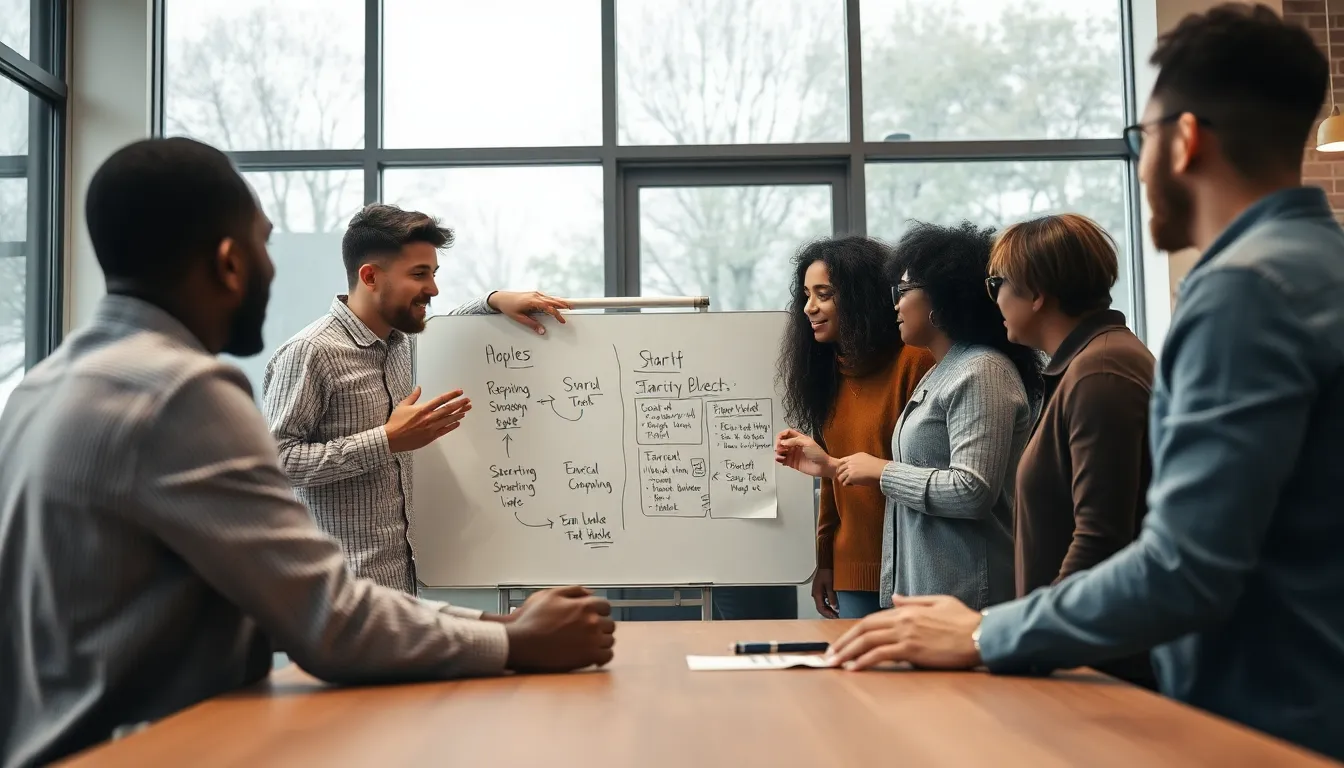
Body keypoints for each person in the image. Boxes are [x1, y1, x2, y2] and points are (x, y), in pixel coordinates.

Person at [826, 5, 1344, 759]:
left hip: (1262, 722)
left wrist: (985, 629)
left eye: (1141, 140)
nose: (1138, 166)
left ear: (1185, 141)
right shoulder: (1318, 267)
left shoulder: (1243, 291)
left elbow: (1182, 566)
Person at [0, 138, 615, 768]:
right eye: (264, 244)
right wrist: (514, 639)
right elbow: (327, 619)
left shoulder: (40, 389)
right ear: (228, 262)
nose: (272, 266)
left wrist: (489, 302)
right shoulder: (181, 393)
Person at [262, 203, 571, 593]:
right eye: (419, 274)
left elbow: (444, 326)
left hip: (400, 587)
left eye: (434, 273)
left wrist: (492, 302)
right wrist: (387, 440)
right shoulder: (311, 352)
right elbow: (276, 463)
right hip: (338, 596)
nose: (434, 289)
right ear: (370, 276)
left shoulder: (401, 342)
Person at [780, 222, 1042, 612]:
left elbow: (972, 490)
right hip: (921, 584)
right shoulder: (944, 370)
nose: (896, 304)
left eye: (904, 291)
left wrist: (878, 471)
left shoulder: (981, 370)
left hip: (965, 592)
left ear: (941, 298)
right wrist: (835, 468)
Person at [987, 213, 1157, 689]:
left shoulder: (1101, 371)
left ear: (1037, 292)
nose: (996, 298)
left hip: (1099, 666)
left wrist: (1029, 640)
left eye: (998, 283)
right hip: (1075, 653)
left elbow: (1099, 539)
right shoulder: (1087, 365)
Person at [773, 236, 934, 619]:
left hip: (913, 571)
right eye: (806, 295)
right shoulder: (830, 372)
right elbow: (831, 473)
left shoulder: (916, 362)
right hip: (851, 570)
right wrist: (826, 559)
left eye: (823, 294)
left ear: (859, 296)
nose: (809, 307)